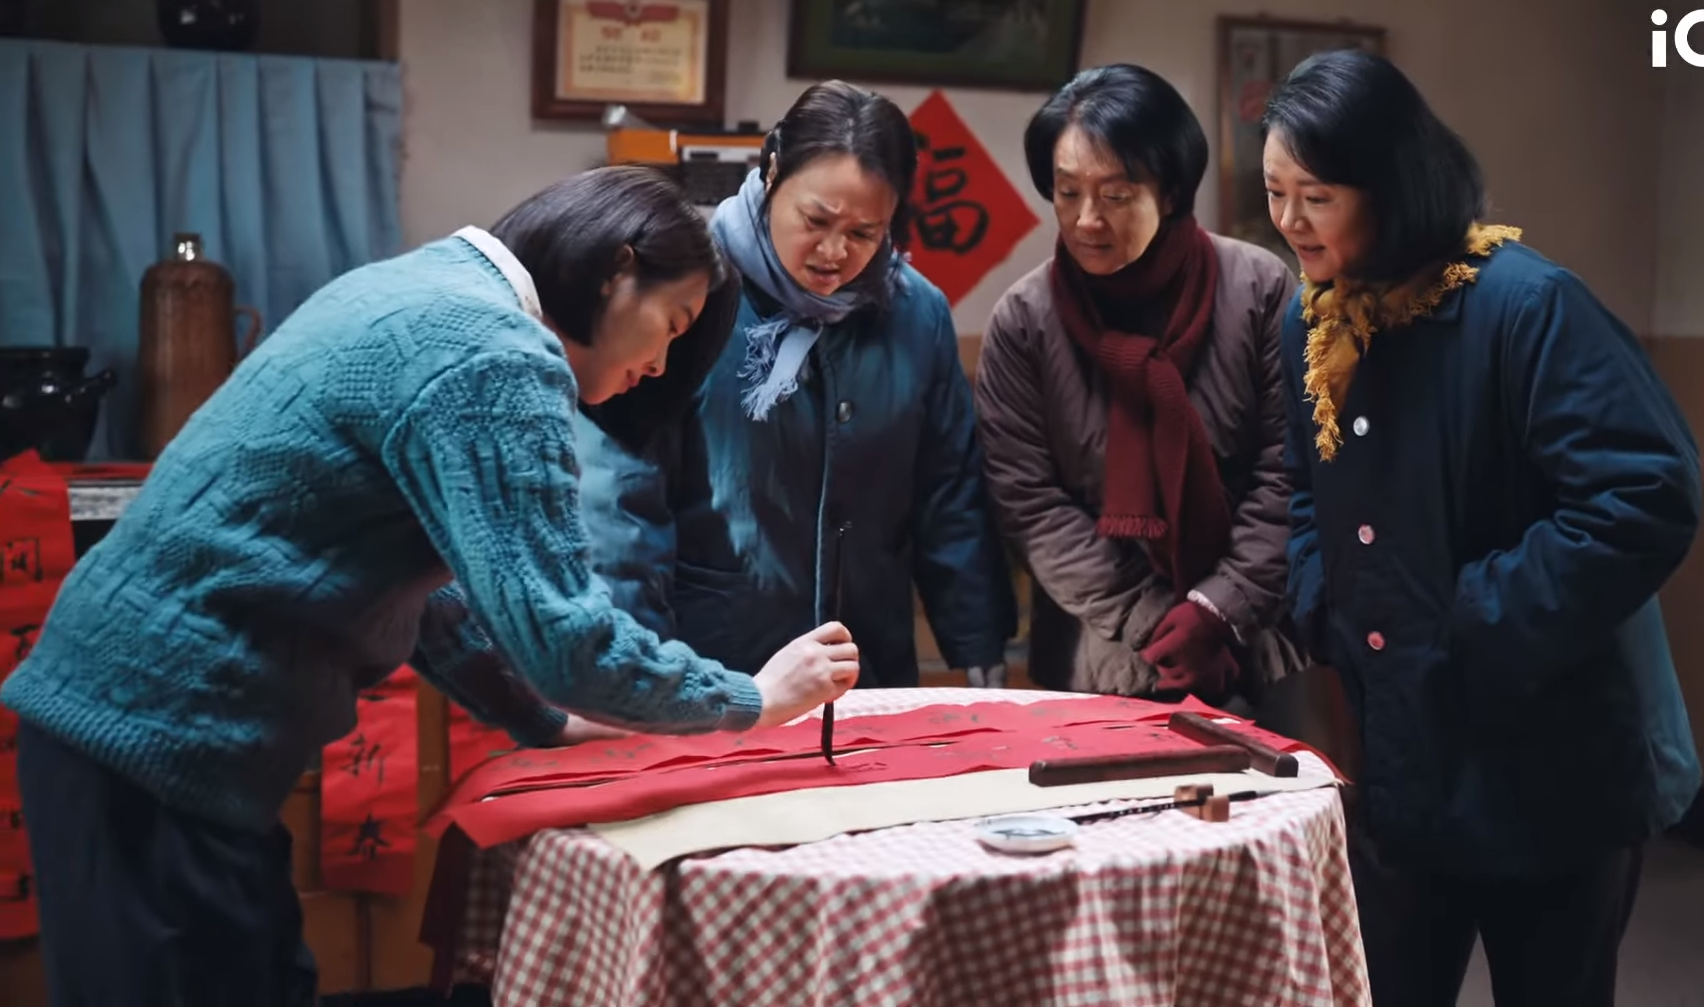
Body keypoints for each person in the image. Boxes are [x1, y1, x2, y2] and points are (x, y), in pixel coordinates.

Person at [1, 166, 861, 1006]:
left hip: (142, 726)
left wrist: (541, 720)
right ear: (617, 270)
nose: (664, 362)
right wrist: (750, 698)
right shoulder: (495, 354)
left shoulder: (428, 288)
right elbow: (567, 642)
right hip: (153, 729)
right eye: (672, 324)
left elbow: (425, 592)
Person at [1264, 49, 1702, 1006]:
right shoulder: (1316, 321)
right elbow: (1304, 486)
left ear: (1393, 188)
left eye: (1317, 197)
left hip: (1551, 765)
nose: (1289, 222)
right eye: (1275, 193)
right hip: (1402, 752)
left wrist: (1473, 612)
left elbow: (1646, 495)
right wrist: (1325, 596)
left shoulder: (1526, 305)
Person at [573, 81, 1015, 689]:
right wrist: (633, 668)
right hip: (716, 667)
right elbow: (622, 498)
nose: (834, 252)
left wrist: (977, 636)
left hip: (864, 663)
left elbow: (950, 491)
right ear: (773, 171)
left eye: (864, 233)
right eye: (817, 220)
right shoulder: (691, 297)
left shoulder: (917, 314)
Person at [972, 63, 1309, 716]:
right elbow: (1029, 500)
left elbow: (1289, 468)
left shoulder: (1260, 288)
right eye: (1067, 192)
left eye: (1117, 194)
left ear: (1171, 189)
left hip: (1257, 639)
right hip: (1096, 653)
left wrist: (1218, 609)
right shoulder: (1025, 320)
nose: (1086, 219)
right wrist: (1156, 622)